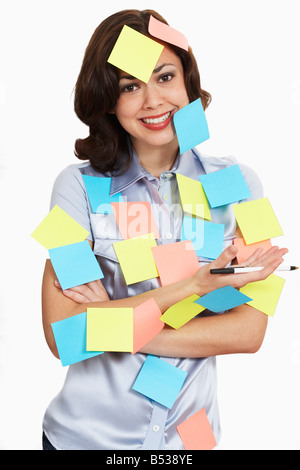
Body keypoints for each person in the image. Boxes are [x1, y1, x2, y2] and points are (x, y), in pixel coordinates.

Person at [41, 9, 288, 450]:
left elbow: (248, 334)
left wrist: (110, 324)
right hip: (84, 440)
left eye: (165, 77)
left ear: (189, 85)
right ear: (109, 103)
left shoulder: (240, 185)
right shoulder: (76, 188)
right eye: (130, 87)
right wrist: (193, 286)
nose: (153, 100)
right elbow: (66, 340)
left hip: (188, 444)